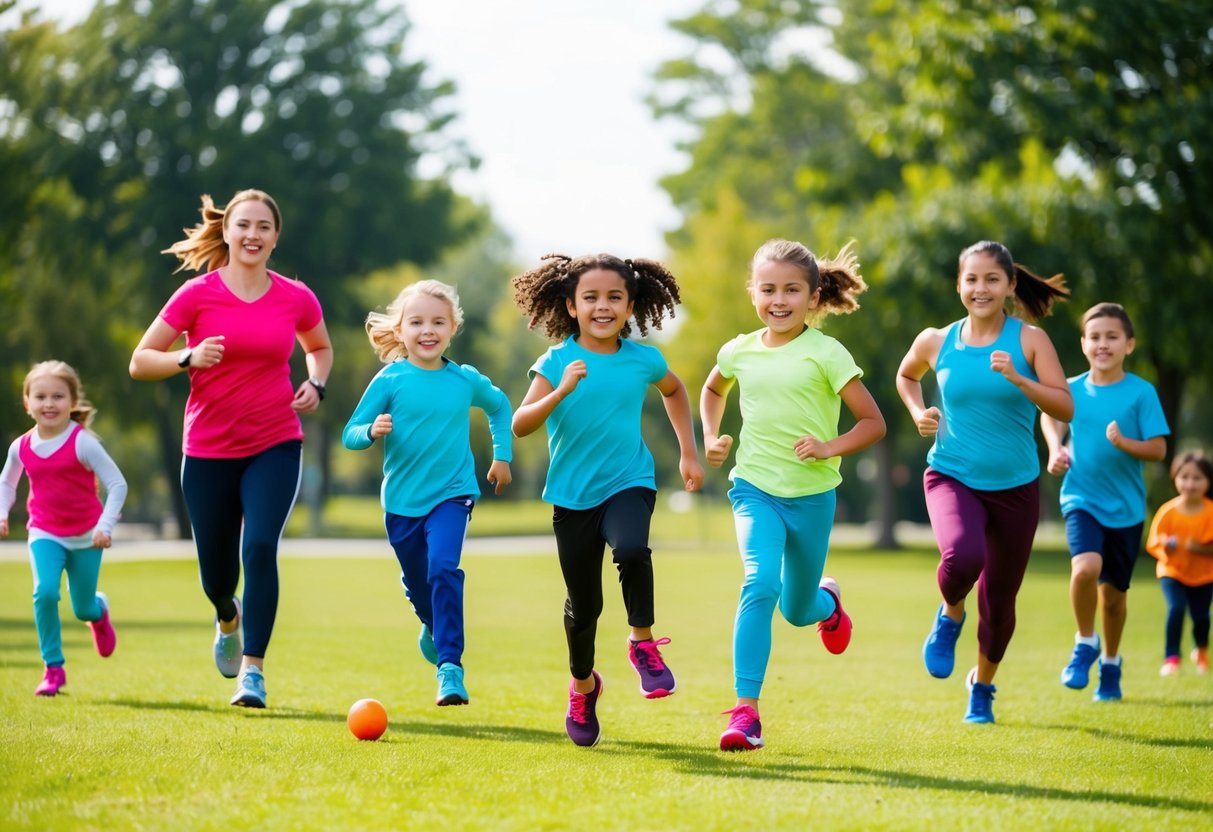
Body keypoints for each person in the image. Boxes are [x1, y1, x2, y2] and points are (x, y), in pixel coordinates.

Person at [129, 189, 332, 709]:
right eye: (243, 225)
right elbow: (141, 359)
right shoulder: (196, 295)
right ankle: (227, 616)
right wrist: (187, 357)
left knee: (260, 547)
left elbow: (319, 348)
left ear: (275, 237)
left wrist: (316, 383)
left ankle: (254, 671)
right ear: (227, 231)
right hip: (208, 450)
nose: (252, 235)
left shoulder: (296, 297)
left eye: (264, 226)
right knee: (217, 575)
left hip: (275, 441)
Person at [511, 252, 705, 747]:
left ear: (630, 304)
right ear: (572, 307)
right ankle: (583, 686)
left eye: (614, 297)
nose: (603, 306)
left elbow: (676, 391)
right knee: (584, 605)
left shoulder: (644, 358)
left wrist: (687, 452)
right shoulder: (556, 361)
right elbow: (522, 423)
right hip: (573, 497)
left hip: (629, 480)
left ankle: (642, 642)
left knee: (633, 550)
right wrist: (562, 391)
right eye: (591, 297)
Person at [700, 239, 885, 752]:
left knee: (797, 610)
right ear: (752, 292)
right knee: (759, 582)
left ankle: (828, 604)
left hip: (812, 498)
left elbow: (873, 422)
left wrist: (830, 446)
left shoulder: (827, 353)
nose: (778, 299)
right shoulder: (739, 349)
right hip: (754, 488)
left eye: (791, 289)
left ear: (813, 295)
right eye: (767, 289)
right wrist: (713, 436)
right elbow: (714, 389)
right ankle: (746, 713)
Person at [896, 240, 1072, 724]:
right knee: (962, 556)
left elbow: (1064, 406)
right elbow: (906, 376)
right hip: (952, 474)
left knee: (999, 602)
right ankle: (951, 612)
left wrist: (1020, 379)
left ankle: (982, 686)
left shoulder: (1030, 340)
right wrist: (918, 412)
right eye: (971, 279)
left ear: (1010, 286)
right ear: (959, 284)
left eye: (992, 279)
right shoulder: (937, 340)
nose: (981, 288)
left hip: (1016, 486)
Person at [343, 279, 513, 707]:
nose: (427, 330)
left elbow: (499, 406)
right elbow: (350, 433)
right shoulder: (390, 379)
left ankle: (450, 667)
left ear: (453, 328)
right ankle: (430, 621)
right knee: (421, 583)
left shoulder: (464, 380)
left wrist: (502, 457)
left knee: (442, 568)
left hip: (453, 494)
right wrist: (370, 430)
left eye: (438, 321)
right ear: (400, 330)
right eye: (416, 322)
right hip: (401, 502)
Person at [1040, 303, 1168, 701]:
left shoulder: (1141, 393)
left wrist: (1124, 443)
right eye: (1095, 337)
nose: (1103, 344)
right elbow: (1050, 416)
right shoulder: (1071, 388)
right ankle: (1084, 642)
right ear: (1083, 344)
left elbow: (1159, 449)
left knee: (1113, 598)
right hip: (1081, 497)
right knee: (1084, 570)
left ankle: (1111, 664)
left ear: (1129, 344)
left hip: (1127, 510)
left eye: (1112, 337)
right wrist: (1055, 447)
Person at [1, 361, 128, 696]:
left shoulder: (82, 443)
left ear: (72, 402)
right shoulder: (21, 447)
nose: (49, 403)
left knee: (82, 607)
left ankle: (98, 613)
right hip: (44, 532)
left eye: (58, 396)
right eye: (40, 396)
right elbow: (7, 483)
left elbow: (117, 484)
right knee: (44, 593)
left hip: (88, 536)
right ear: (27, 403)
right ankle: (53, 668)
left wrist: (106, 526)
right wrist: (2, 513)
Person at [1145, 451, 1213, 676]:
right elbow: (1153, 542)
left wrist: (1201, 548)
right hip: (1172, 570)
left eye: (1197, 478)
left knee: (1201, 616)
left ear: (1208, 481)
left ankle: (1201, 650)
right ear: (1175, 478)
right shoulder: (1168, 511)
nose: (1190, 483)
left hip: (1204, 575)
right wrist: (1165, 544)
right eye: (1184, 477)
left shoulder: (1211, 511)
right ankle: (1172, 657)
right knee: (1176, 608)